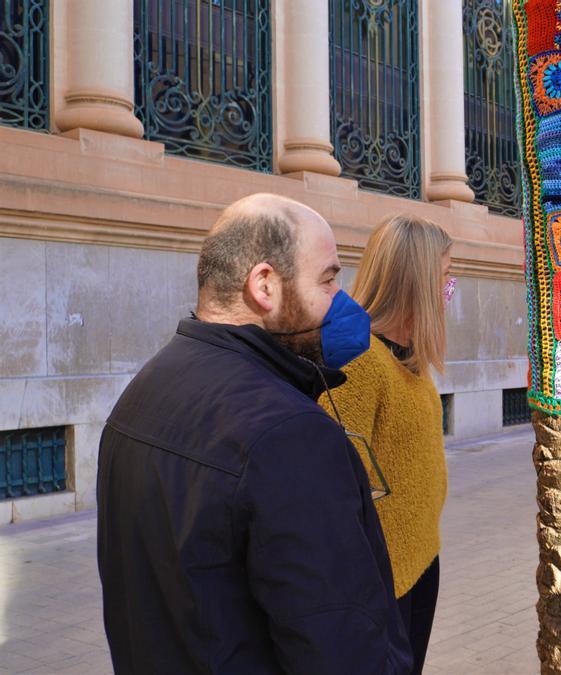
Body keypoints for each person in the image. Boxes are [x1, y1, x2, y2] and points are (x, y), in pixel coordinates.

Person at [97, 194, 412, 674]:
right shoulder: (292, 436)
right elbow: (342, 649)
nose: (340, 301)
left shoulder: (142, 390)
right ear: (265, 284)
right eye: (328, 279)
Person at [319, 215, 453, 673]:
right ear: (415, 282)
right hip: (380, 584)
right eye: (444, 277)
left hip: (419, 559)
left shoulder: (410, 358)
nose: (449, 290)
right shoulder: (359, 364)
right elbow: (335, 492)